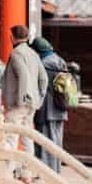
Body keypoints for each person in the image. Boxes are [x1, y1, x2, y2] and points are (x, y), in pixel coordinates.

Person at [2, 25, 47, 182]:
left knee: (10, 137)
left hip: (17, 103)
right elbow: (44, 79)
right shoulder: (33, 54)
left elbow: (23, 76)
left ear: (12, 37)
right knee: (27, 138)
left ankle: (7, 174)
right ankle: (27, 173)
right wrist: (38, 98)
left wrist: (22, 98)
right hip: (31, 103)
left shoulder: (16, 54)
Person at [30, 37, 70, 174]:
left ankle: (46, 172)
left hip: (47, 108)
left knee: (45, 141)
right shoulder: (59, 60)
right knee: (57, 141)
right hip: (61, 106)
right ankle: (56, 170)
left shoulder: (43, 63)